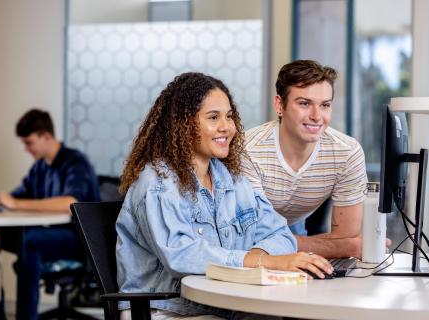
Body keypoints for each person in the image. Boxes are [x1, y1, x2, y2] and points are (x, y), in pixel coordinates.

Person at [116, 72, 333, 320]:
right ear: (183, 124)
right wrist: (261, 263)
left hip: (227, 304)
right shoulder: (158, 183)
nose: (226, 127)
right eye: (213, 117)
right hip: (167, 311)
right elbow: (181, 256)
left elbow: (280, 234)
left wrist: (260, 258)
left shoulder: (232, 179)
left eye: (229, 116)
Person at [0, 109, 101, 320]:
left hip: (81, 240)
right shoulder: (40, 168)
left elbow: (69, 202)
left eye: (29, 143)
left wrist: (15, 203)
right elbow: (15, 199)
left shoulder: (76, 162)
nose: (26, 149)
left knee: (29, 241)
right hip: (48, 235)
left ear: (46, 136)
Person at [242, 60, 368, 259]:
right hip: (245, 232)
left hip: (296, 229)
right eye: (304, 104)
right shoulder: (248, 150)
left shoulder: (347, 153)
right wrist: (343, 247)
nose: (317, 116)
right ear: (279, 105)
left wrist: (343, 245)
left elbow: (347, 236)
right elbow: (251, 236)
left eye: (325, 105)